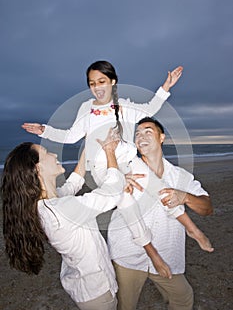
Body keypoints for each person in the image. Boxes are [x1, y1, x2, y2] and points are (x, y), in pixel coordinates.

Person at [21, 60, 184, 278]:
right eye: (92, 83)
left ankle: (186, 223)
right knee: (126, 200)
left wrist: (166, 87)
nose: (97, 87)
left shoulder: (122, 105)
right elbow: (70, 136)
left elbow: (149, 110)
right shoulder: (86, 108)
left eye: (102, 81)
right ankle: (151, 251)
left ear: (113, 83)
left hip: (126, 160)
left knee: (158, 185)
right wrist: (45, 130)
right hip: (102, 168)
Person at [1, 129, 126, 310]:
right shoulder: (62, 210)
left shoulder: (45, 204)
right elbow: (113, 192)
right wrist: (110, 152)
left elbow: (73, 183)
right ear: (38, 169)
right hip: (97, 291)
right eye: (47, 153)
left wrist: (88, 145)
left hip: (82, 285)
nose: (55, 155)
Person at [107, 117, 214, 310]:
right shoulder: (125, 170)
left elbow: (207, 207)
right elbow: (105, 195)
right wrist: (118, 180)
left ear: (161, 138)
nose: (141, 136)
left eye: (148, 131)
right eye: (137, 133)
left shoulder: (180, 176)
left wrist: (184, 197)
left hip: (166, 253)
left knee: (183, 298)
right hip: (127, 253)